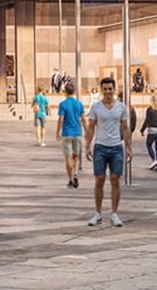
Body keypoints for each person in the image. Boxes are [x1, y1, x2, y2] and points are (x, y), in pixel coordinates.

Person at [83, 77, 131, 227]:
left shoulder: (121, 107)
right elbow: (91, 127)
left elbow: (125, 128)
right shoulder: (95, 107)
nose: (108, 92)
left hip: (116, 147)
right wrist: (87, 145)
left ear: (114, 89)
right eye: (105, 89)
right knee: (100, 180)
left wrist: (129, 147)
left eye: (110, 89)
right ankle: (98, 213)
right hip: (100, 147)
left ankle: (114, 213)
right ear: (101, 90)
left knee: (115, 179)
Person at [56, 85, 87, 188]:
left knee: (68, 157)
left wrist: (57, 132)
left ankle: (70, 180)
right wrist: (87, 131)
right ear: (74, 91)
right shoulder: (79, 104)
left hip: (67, 133)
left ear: (65, 92)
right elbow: (83, 119)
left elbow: (60, 119)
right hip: (77, 133)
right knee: (76, 157)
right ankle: (76, 175)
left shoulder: (63, 104)